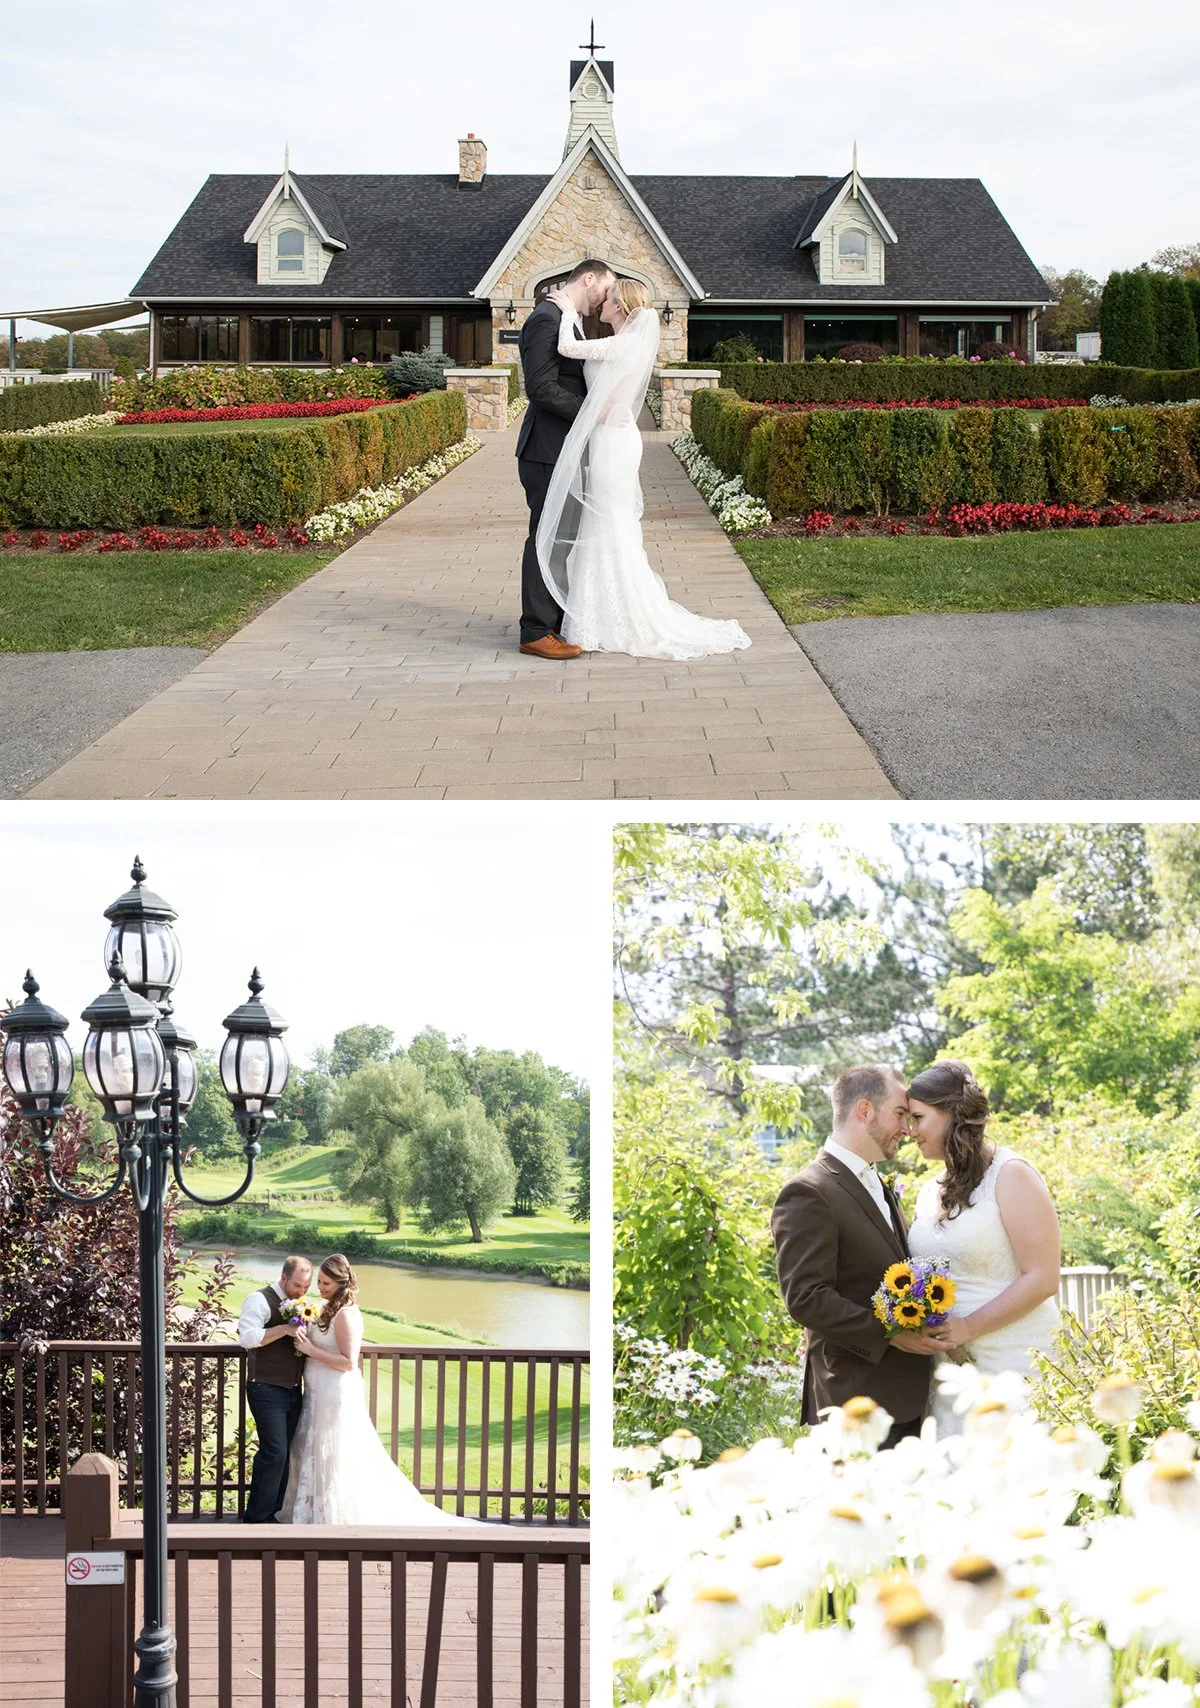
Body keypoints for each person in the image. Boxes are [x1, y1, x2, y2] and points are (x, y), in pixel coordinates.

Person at [537, 277, 751, 660]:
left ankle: (611, 616)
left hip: (613, 445)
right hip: (611, 439)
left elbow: (568, 347)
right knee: (605, 523)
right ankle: (597, 613)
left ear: (619, 307)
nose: (602, 302)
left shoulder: (626, 342)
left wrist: (568, 312)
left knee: (609, 523)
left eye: (609, 299)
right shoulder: (623, 341)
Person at [771, 1065, 947, 1451]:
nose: (907, 1129)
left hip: (904, 1400)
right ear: (865, 1111)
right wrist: (891, 1333)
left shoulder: (877, 1184)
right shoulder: (808, 1191)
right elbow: (806, 1297)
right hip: (853, 1404)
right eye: (900, 1115)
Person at [906, 1060, 1061, 1437]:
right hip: (953, 1374)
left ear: (950, 1114)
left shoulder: (1011, 1175)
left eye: (918, 1118)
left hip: (1017, 1361)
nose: (911, 1131)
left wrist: (967, 1328)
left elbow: (1043, 1278)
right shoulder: (928, 1192)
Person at [278, 1253, 478, 1525]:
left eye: (325, 1282)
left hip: (333, 1393)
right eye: (320, 1282)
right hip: (316, 1392)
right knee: (314, 1450)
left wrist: (311, 1349)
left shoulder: (346, 1314)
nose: (320, 1287)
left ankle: (334, 1516)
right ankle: (315, 1512)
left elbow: (348, 1361)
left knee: (334, 1453)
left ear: (340, 1282)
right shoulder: (327, 1309)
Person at [514, 259, 615, 660]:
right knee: (547, 538)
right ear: (588, 279)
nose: (606, 297)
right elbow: (539, 387)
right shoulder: (546, 317)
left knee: (561, 539)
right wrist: (593, 409)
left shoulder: (566, 316)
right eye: (605, 288)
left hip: (563, 449)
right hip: (546, 450)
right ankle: (536, 630)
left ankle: (552, 620)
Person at [237, 1254, 312, 1523]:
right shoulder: (259, 1300)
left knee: (285, 1454)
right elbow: (247, 1338)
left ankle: (276, 1513)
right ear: (283, 1278)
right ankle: (257, 1517)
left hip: (293, 1390)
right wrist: (284, 1329)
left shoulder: (304, 1304)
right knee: (274, 1452)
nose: (302, 1292)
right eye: (297, 1286)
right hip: (265, 1388)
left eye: (306, 1287)